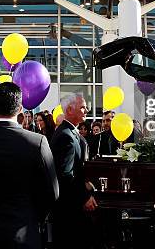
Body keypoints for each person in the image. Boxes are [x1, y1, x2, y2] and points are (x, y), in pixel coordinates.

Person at [0, 83, 59, 249]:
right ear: (20, 108)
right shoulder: (37, 142)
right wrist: (33, 215)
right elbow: (52, 191)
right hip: (23, 231)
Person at [50, 94, 96, 249]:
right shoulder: (65, 136)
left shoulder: (70, 132)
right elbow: (65, 175)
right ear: (70, 109)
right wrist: (84, 197)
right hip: (69, 209)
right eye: (82, 107)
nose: (87, 110)